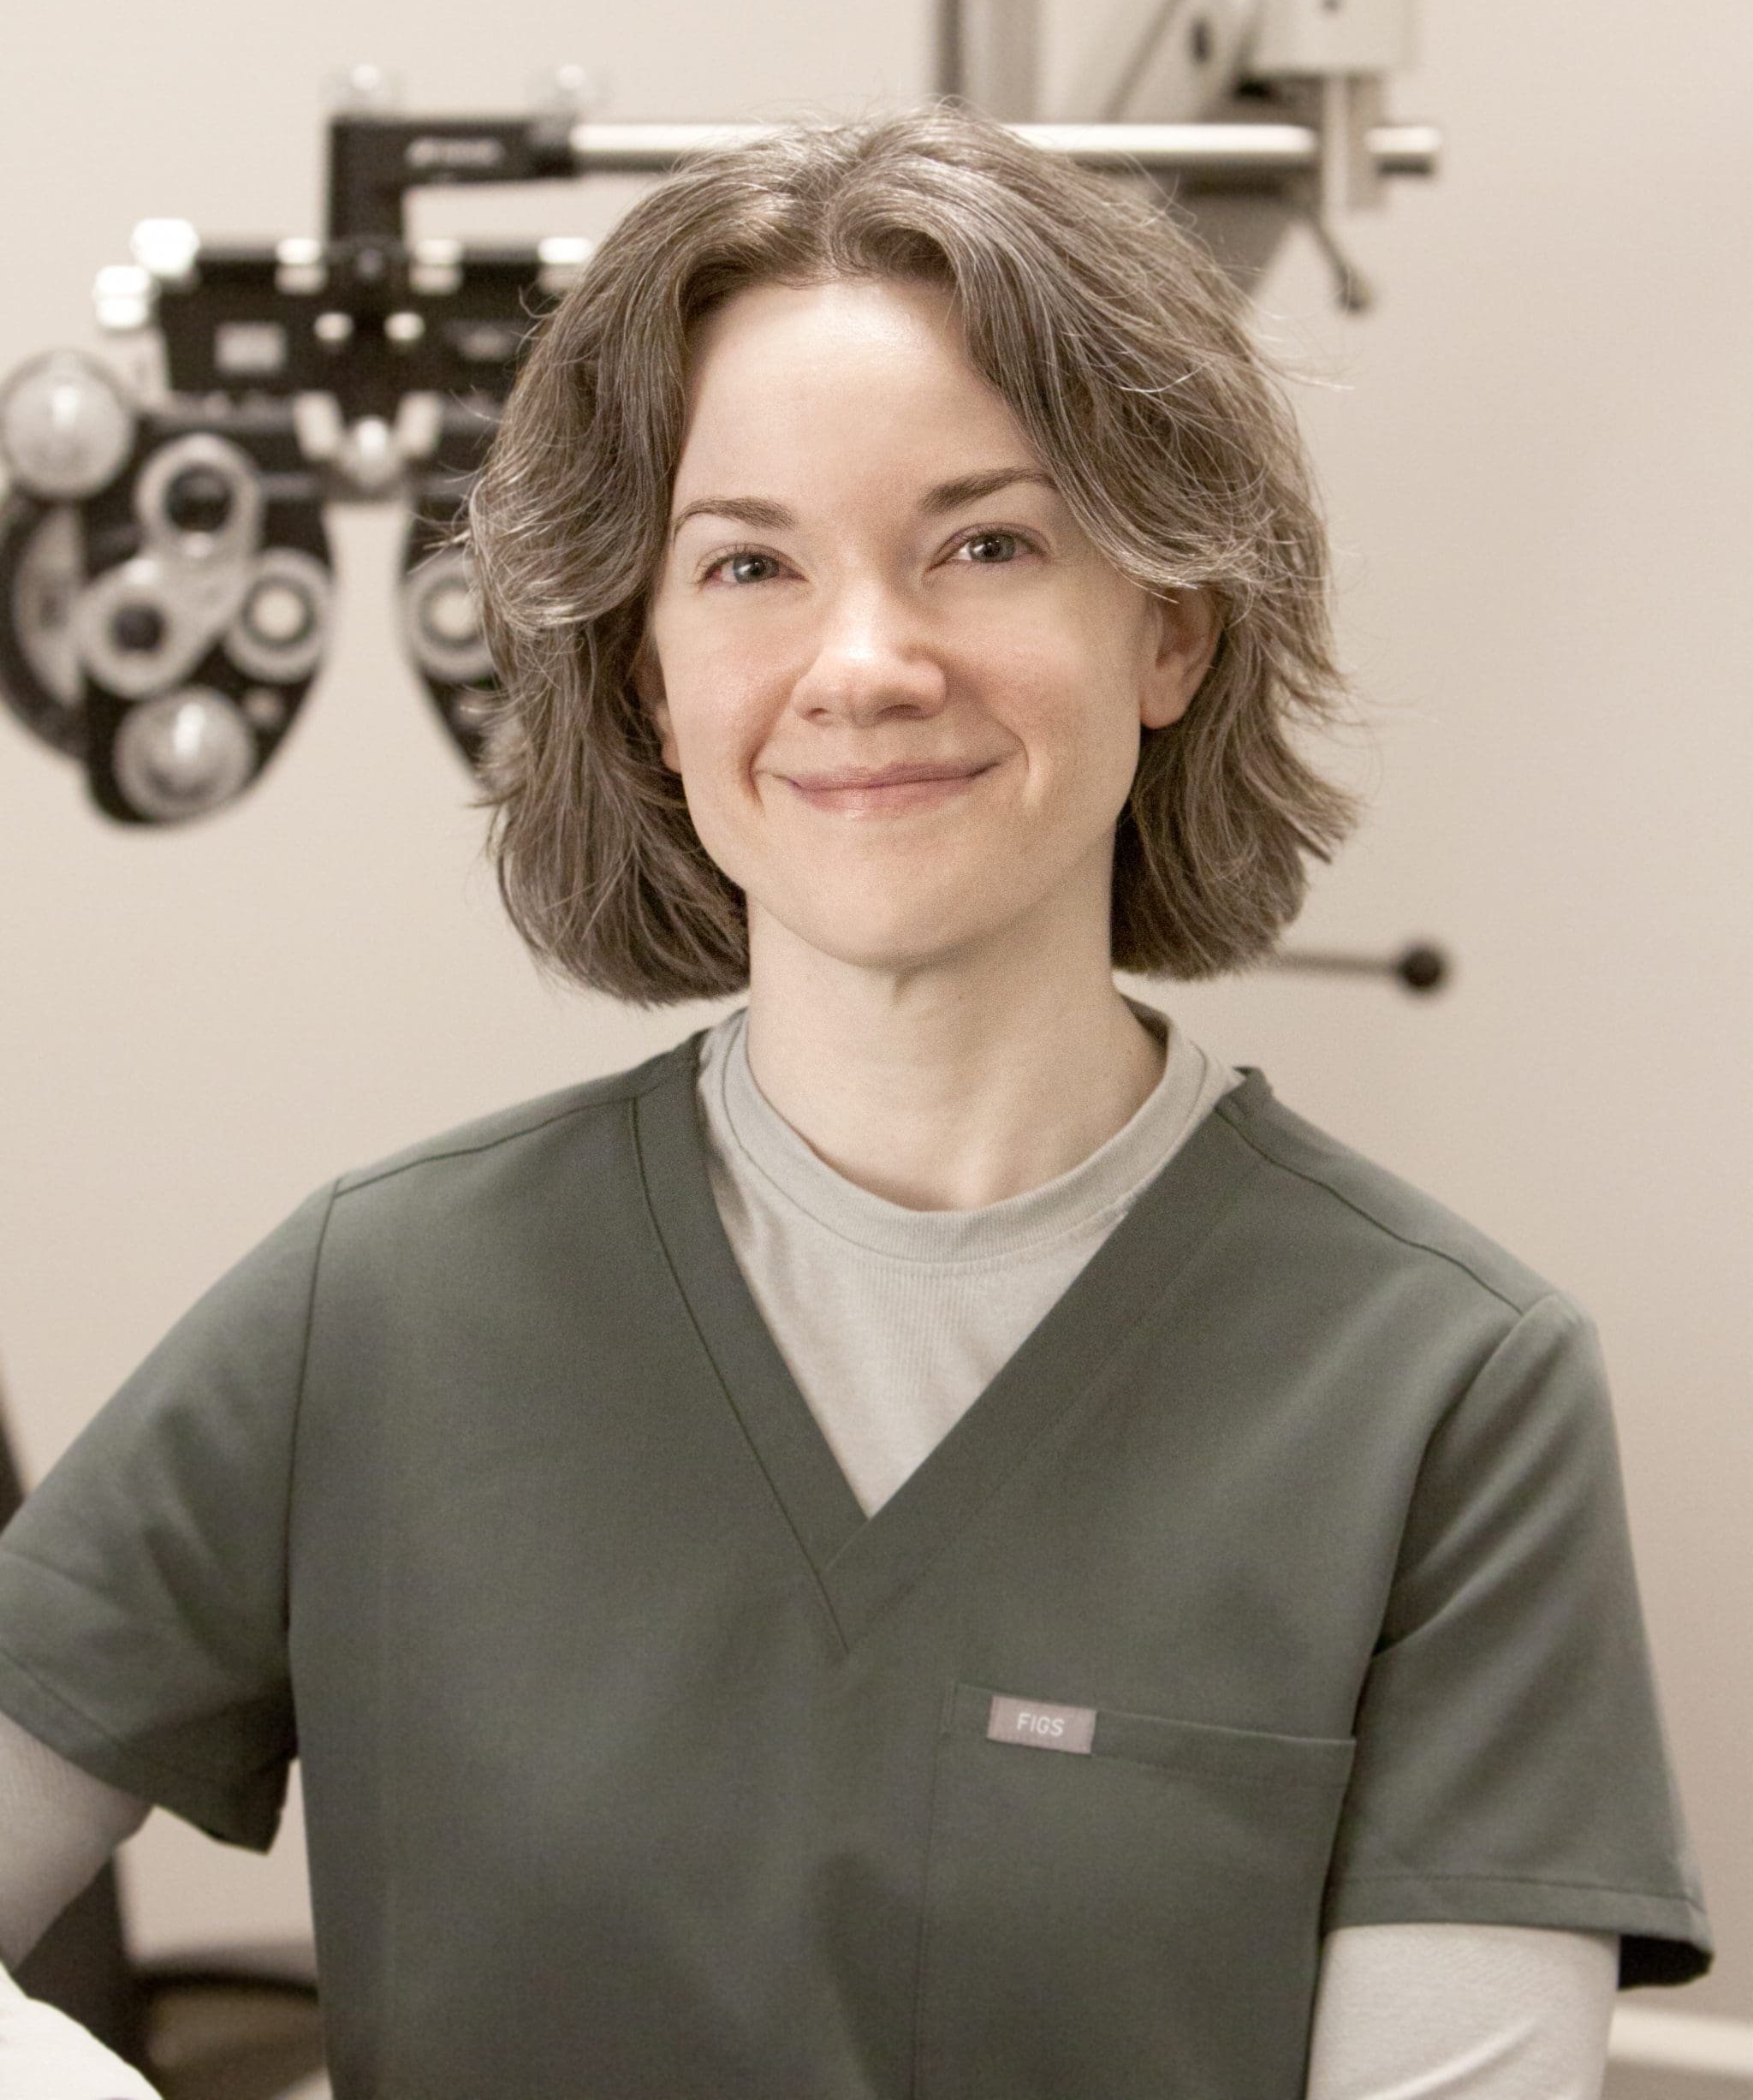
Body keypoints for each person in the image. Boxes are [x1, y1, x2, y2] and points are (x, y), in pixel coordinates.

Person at [0, 106, 1711, 2099]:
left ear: (1167, 622)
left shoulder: (1438, 1391)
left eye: (982, 542)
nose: (864, 660)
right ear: (647, 670)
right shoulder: (375, 1306)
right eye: (746, 563)